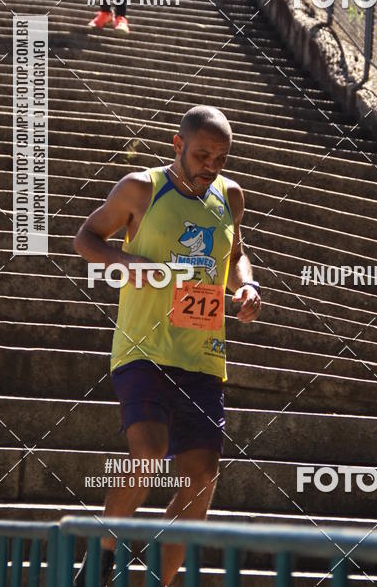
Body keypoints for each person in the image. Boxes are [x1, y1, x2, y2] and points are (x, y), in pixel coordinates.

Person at [72, 105, 262, 586]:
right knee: (150, 451)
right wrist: (123, 261)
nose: (211, 166)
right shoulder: (141, 188)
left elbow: (237, 255)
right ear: (178, 145)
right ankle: (104, 551)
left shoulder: (230, 196)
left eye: (221, 158)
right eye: (202, 155)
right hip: (144, 349)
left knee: (201, 479)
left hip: (203, 355)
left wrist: (246, 285)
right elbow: (86, 237)